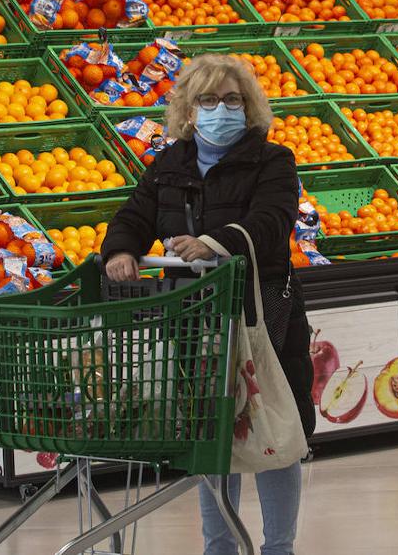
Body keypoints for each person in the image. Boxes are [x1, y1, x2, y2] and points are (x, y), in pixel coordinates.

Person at [101, 54, 315, 555]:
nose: (223, 109)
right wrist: (121, 249)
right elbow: (135, 214)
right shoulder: (169, 164)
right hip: (196, 320)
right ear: (190, 109)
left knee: (273, 434)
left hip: (262, 313)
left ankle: (278, 548)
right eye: (210, 100)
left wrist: (215, 243)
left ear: (250, 107)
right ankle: (218, 546)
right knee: (211, 434)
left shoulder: (273, 160)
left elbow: (273, 221)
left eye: (233, 99)